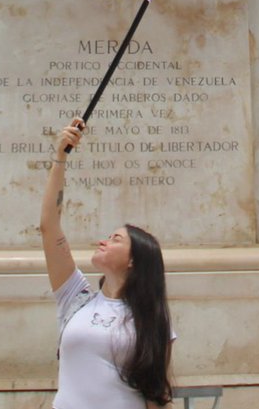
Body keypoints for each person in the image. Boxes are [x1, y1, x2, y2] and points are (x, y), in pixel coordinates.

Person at [41, 117, 173, 408]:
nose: (103, 241)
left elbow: (157, 396)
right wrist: (60, 158)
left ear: (133, 261)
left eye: (115, 239)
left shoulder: (152, 317)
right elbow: (49, 226)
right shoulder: (74, 297)